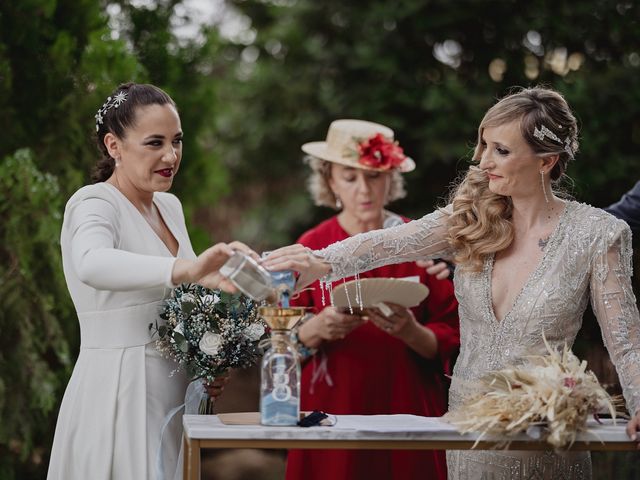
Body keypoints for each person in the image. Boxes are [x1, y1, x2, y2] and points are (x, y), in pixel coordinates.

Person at [263, 86, 640, 480]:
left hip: (544, 440)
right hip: (464, 435)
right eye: (483, 144)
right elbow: (385, 244)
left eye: (501, 150)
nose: (482, 160)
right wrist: (318, 261)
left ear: (546, 161)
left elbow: (626, 342)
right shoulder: (470, 219)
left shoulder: (598, 234)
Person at [47, 83, 251, 480]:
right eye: (154, 143)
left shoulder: (169, 207)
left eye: (177, 141)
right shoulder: (94, 203)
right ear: (114, 145)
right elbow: (91, 262)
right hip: (120, 390)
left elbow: (181, 300)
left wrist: (207, 356)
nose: (171, 156)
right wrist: (185, 270)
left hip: (173, 398)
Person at [285, 120, 460, 480]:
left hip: (407, 407)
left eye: (375, 176)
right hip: (333, 407)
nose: (364, 189)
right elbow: (279, 344)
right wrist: (318, 327)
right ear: (330, 180)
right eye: (350, 177)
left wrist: (411, 331)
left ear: (391, 178)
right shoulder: (311, 247)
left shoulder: (422, 244)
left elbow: (459, 342)